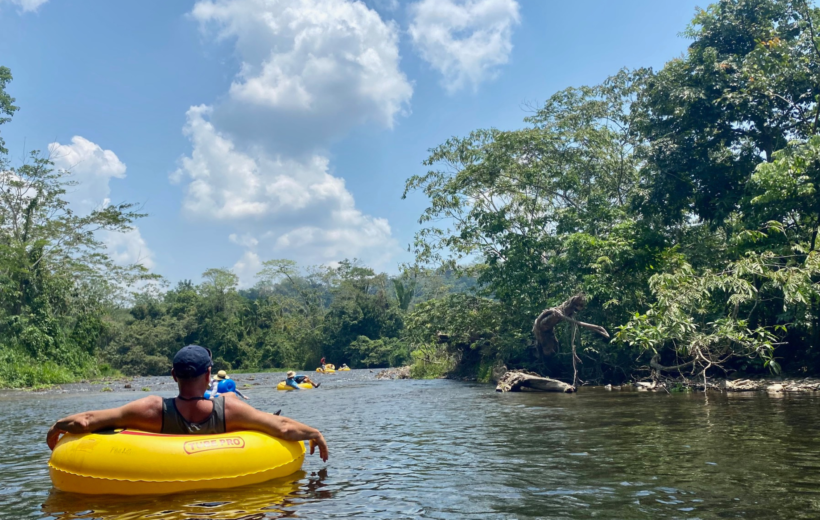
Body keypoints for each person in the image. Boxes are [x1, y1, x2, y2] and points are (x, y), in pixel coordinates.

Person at [46, 345, 328, 462]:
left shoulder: (151, 410)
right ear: (208, 375)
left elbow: (87, 421)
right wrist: (314, 432)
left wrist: (57, 425)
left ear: (173, 376)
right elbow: (280, 426)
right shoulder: (229, 408)